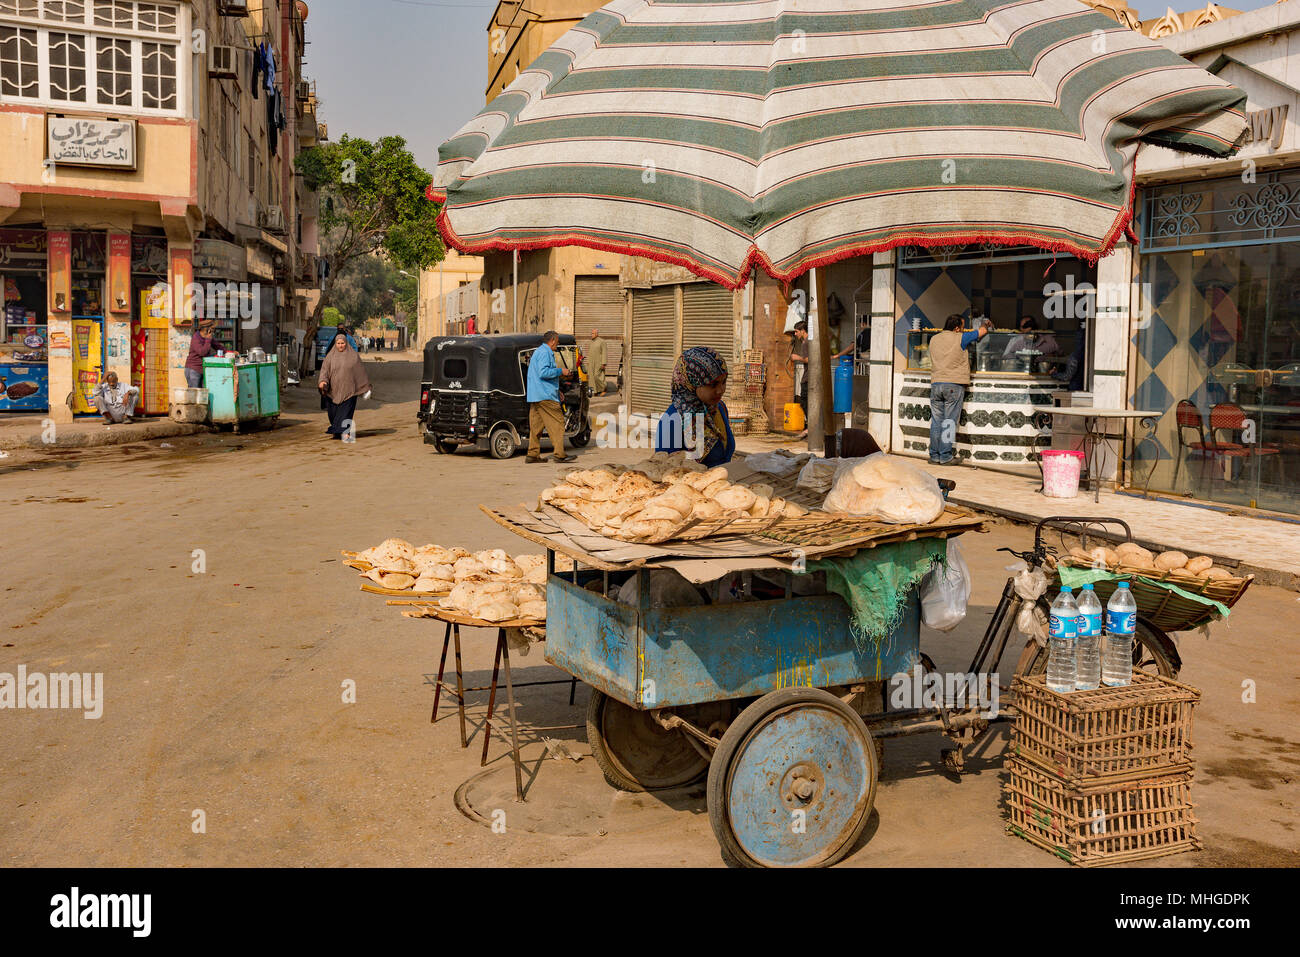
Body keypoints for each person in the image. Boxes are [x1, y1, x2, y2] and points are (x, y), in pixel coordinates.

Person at [655, 345, 735, 467]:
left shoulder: (720, 408)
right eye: (713, 385)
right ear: (691, 384)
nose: (720, 390)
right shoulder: (672, 420)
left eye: (724, 382)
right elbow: (665, 471)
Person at [928, 313, 990, 465]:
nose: (964, 330)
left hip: (936, 384)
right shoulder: (960, 338)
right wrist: (985, 324)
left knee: (936, 421)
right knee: (949, 421)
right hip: (953, 385)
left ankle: (934, 456)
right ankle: (946, 456)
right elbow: (982, 332)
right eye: (962, 327)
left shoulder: (934, 338)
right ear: (957, 328)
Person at [526, 330, 569, 464]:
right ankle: (559, 454)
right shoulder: (545, 353)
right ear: (552, 341)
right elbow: (543, 372)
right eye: (557, 341)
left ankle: (532, 454)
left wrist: (557, 390)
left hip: (536, 395)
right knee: (558, 423)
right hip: (545, 396)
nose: (558, 344)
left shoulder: (538, 351)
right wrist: (561, 371)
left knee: (536, 426)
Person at [317, 333, 371, 440]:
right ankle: (337, 432)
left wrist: (365, 387)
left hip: (349, 391)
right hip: (332, 391)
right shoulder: (330, 357)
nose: (340, 345)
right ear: (335, 344)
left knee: (346, 413)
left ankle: (345, 432)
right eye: (338, 343)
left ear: (346, 343)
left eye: (342, 343)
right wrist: (322, 381)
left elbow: (360, 372)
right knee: (334, 414)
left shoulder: (353, 356)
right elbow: (324, 371)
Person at [184, 318, 224, 389]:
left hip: (202, 369)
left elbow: (217, 346)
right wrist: (208, 340)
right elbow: (202, 352)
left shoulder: (208, 337)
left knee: (202, 393)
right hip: (193, 369)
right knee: (194, 394)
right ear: (207, 330)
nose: (213, 331)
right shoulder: (196, 338)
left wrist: (229, 352)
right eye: (212, 329)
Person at [787, 320, 810, 439]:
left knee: (805, 402)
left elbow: (809, 359)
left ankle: (809, 428)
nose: (795, 334)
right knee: (805, 402)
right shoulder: (807, 342)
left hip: (808, 378)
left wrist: (797, 357)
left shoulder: (806, 343)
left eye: (796, 331)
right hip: (807, 376)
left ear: (803, 331)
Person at [586, 328, 608, 395]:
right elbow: (589, 352)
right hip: (591, 362)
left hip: (599, 362)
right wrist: (588, 361)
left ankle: (603, 388)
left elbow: (604, 352)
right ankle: (595, 391)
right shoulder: (591, 342)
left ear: (596, 334)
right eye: (591, 333)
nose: (591, 335)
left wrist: (604, 363)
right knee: (591, 377)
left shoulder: (602, 341)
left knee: (597, 376)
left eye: (592, 333)